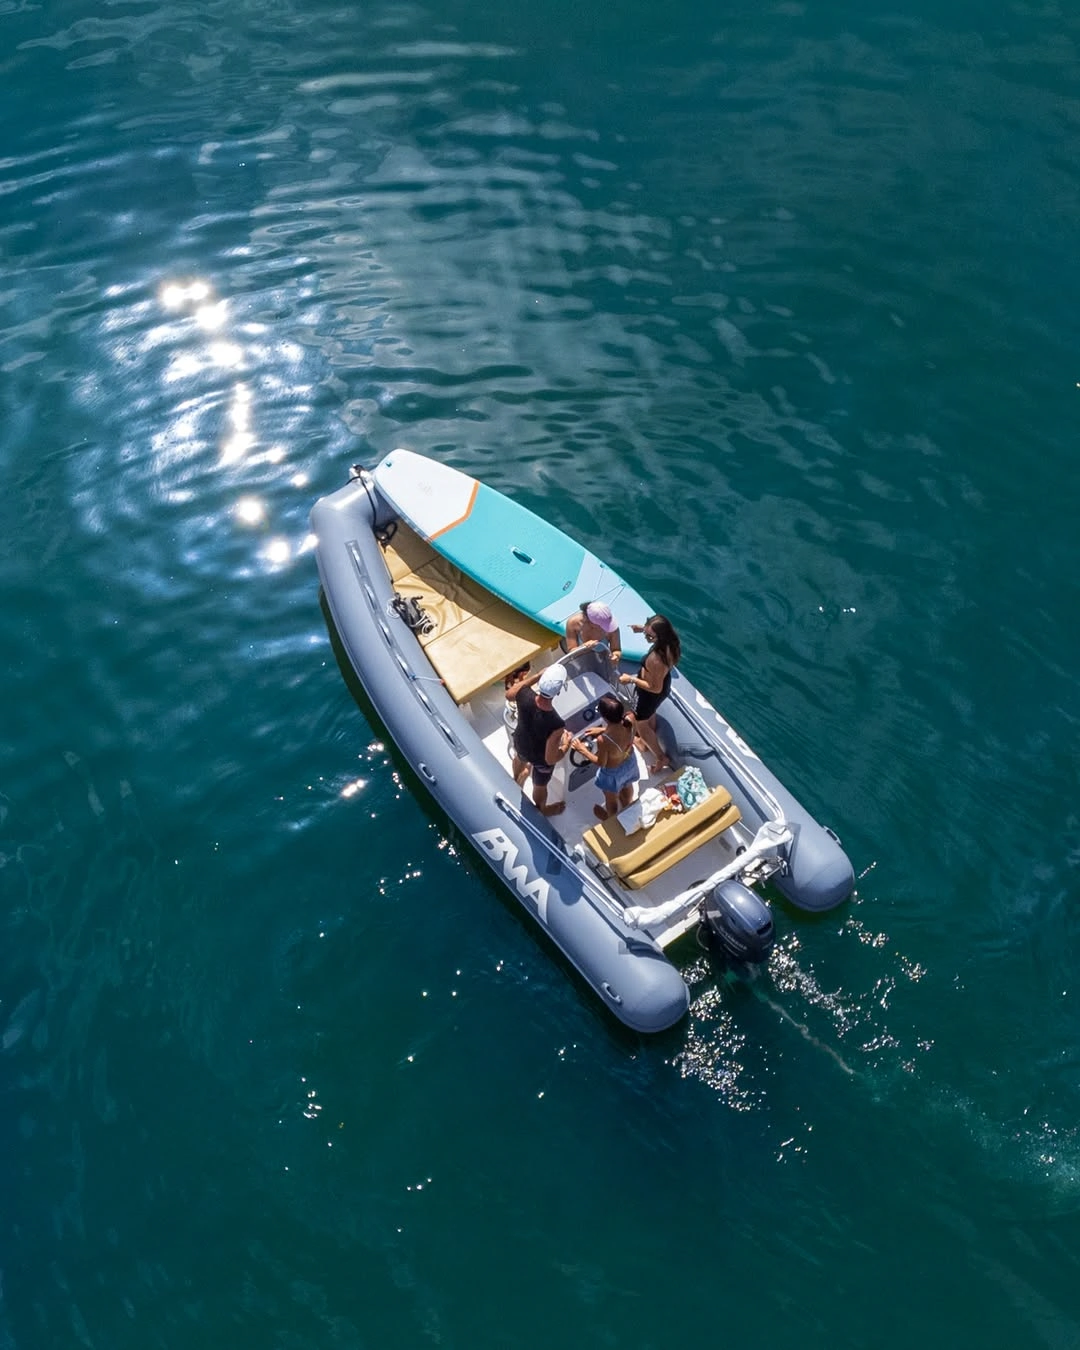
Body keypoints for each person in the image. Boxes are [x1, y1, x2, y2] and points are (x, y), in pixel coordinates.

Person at [504, 663, 572, 816]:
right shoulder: (556, 723)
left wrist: (536, 676)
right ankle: (542, 809)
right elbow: (550, 759)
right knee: (540, 785)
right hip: (540, 759)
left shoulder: (524, 694)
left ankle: (516, 780)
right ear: (558, 690)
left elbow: (509, 695)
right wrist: (566, 745)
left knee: (519, 758)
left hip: (521, 743)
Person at [619, 614, 681, 774]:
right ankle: (647, 737)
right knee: (650, 714)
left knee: (641, 724)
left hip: (650, 693)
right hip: (659, 688)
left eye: (649, 635)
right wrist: (641, 629)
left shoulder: (657, 660)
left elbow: (654, 688)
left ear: (659, 636)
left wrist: (631, 679)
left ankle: (660, 757)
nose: (646, 637)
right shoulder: (671, 643)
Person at [569, 694, 639, 821]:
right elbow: (619, 730)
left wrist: (582, 750)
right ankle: (627, 805)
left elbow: (601, 763)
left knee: (611, 800)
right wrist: (602, 730)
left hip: (613, 774)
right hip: (630, 762)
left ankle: (611, 819)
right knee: (627, 785)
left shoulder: (603, 740)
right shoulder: (631, 718)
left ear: (605, 717)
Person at [563, 601, 622, 665]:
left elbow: (616, 649)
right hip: (581, 663)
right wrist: (583, 647)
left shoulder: (612, 626)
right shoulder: (572, 623)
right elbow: (571, 651)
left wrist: (616, 656)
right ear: (589, 621)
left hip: (603, 663)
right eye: (601, 625)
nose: (605, 628)